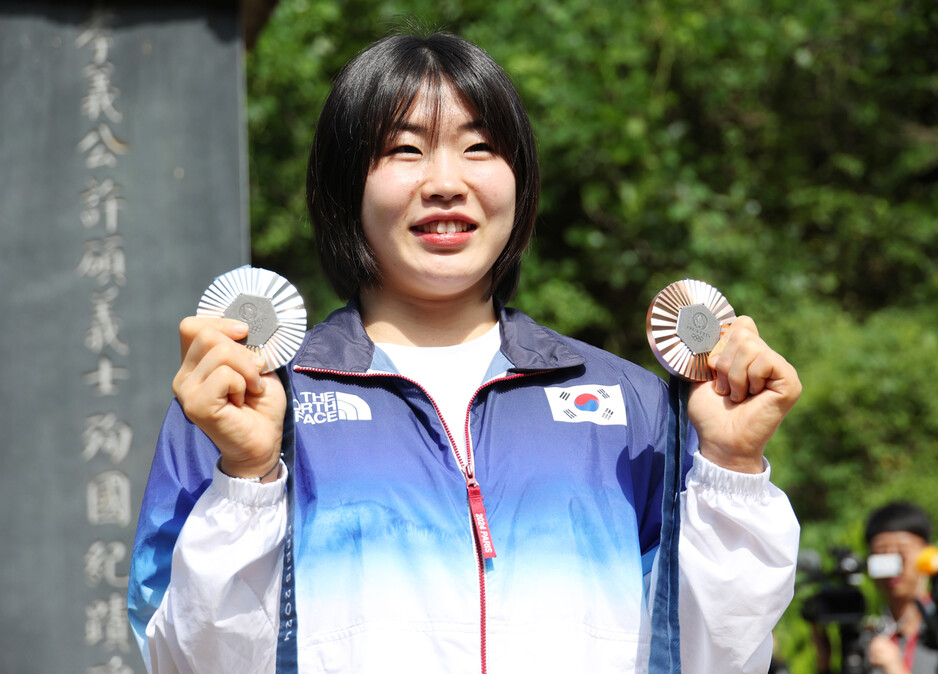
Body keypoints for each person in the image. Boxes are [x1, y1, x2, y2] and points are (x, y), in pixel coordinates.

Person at [127, 32, 802, 673]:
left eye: (479, 147)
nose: (446, 181)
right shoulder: (247, 402)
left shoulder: (635, 405)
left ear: (521, 182)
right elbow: (184, 661)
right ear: (344, 186)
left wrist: (734, 468)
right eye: (403, 149)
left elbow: (718, 657)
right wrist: (247, 476)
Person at [865, 502, 938, 674]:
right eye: (882, 552)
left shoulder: (933, 631)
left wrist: (896, 669)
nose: (894, 566)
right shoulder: (867, 636)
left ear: (927, 554)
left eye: (902, 552)